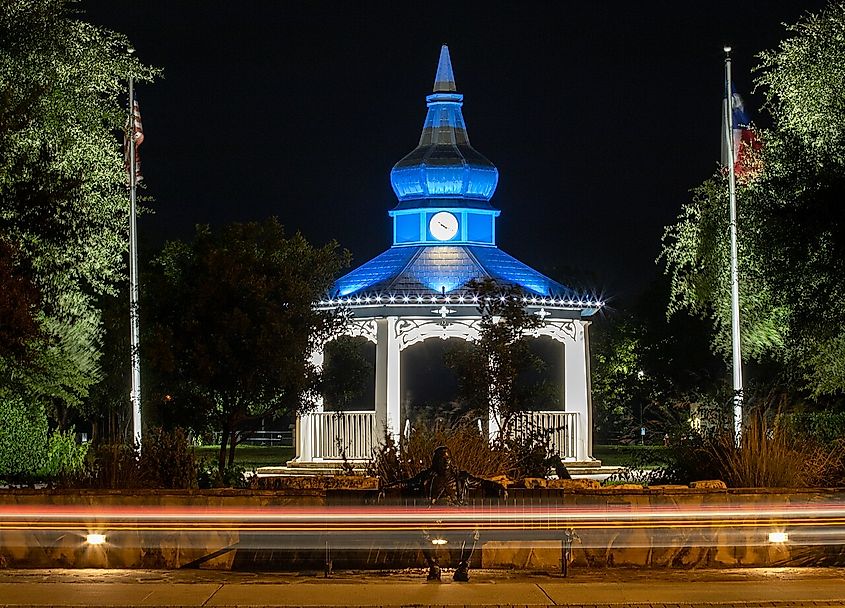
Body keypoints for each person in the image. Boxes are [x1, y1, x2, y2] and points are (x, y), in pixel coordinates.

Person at [382, 445, 507, 582]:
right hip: (434, 519)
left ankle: (463, 567)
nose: (446, 461)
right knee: (421, 529)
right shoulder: (427, 477)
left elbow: (482, 483)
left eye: (448, 458)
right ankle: (434, 567)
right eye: (442, 458)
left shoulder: (462, 478)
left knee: (473, 530)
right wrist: (386, 488)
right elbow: (407, 484)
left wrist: (499, 487)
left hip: (457, 519)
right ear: (436, 461)